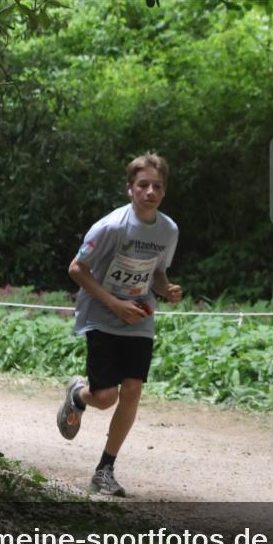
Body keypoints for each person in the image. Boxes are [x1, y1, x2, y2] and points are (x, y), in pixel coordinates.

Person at [56, 152, 182, 497]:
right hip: (102, 315)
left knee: (133, 390)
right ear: (130, 188)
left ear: (164, 191)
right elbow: (76, 269)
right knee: (105, 397)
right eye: (143, 185)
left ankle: (105, 469)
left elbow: (157, 273)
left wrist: (166, 289)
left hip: (139, 317)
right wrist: (113, 303)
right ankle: (79, 395)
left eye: (157, 186)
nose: (150, 192)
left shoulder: (168, 230)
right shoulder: (111, 226)